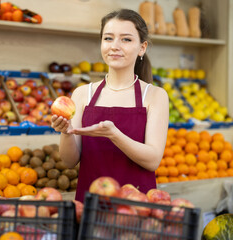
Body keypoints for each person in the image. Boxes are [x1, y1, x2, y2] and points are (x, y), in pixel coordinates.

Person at [51, 9, 169, 202]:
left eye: (126, 39)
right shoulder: (82, 94)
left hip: (137, 204)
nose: (115, 46)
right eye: (108, 38)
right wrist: (66, 131)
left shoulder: (155, 95)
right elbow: (69, 161)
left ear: (142, 47)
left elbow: (153, 160)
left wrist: (114, 134)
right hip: (90, 203)